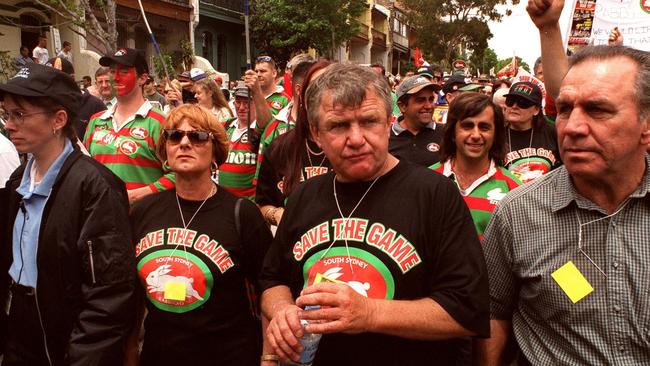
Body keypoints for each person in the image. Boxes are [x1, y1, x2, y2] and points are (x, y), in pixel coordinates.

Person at [259, 64, 490, 365]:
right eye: (338, 126)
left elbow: (468, 311)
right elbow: (272, 279)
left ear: (389, 122)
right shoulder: (304, 196)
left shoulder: (435, 195)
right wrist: (283, 311)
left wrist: (369, 313)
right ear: (316, 133)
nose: (355, 138)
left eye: (369, 121)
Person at [475, 42, 650, 365]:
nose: (572, 128)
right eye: (566, 109)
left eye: (598, 110)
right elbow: (492, 313)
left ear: (647, 125)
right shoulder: (518, 213)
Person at [0, 63, 135, 365]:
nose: (9, 124)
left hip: (64, 340)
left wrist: (84, 357)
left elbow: (109, 295)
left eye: (19, 114)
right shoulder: (17, 180)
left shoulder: (95, 187)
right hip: (18, 329)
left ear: (58, 119)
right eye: (6, 113)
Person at [128, 104, 272, 365]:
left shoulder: (242, 214)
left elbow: (270, 289)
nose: (184, 143)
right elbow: (133, 297)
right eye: (174, 136)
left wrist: (269, 358)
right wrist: (129, 355)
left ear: (215, 150)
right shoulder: (143, 211)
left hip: (228, 356)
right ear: (165, 151)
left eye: (197, 136)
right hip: (158, 356)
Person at [84, 48, 173, 204]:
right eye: (112, 72)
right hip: (101, 220)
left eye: (124, 72)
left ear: (142, 78)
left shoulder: (161, 123)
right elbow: (84, 170)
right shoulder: (96, 121)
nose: (115, 78)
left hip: (144, 222)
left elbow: (179, 175)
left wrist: (134, 195)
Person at [429, 92, 520, 240]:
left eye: (484, 127)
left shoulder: (514, 190)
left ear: (495, 134)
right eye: (467, 126)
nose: (476, 135)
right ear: (453, 131)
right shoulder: (426, 181)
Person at [256, 60, 329, 226]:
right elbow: (263, 203)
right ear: (301, 94)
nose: (325, 96)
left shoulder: (352, 148)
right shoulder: (280, 147)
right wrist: (276, 214)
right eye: (317, 89)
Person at [503, 81, 561, 183]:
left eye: (523, 103)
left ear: (536, 110)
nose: (514, 106)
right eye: (510, 101)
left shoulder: (553, 132)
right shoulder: (496, 134)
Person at [218, 81, 264, 200]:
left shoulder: (262, 131)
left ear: (256, 103)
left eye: (247, 102)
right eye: (238, 102)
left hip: (249, 206)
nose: (242, 107)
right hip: (223, 203)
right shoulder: (224, 126)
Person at [44, 57, 106, 140]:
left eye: (57, 80)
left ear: (71, 79)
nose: (51, 85)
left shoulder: (95, 105)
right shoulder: (45, 105)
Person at [389, 75, 444, 167]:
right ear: (402, 106)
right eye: (420, 100)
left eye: (431, 99)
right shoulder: (386, 138)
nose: (429, 106)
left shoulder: (446, 134)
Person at [243, 56, 291, 129]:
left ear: (274, 73)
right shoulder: (247, 96)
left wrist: (257, 92)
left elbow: (270, 127)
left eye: (263, 71)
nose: (258, 74)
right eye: (256, 71)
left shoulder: (285, 100)